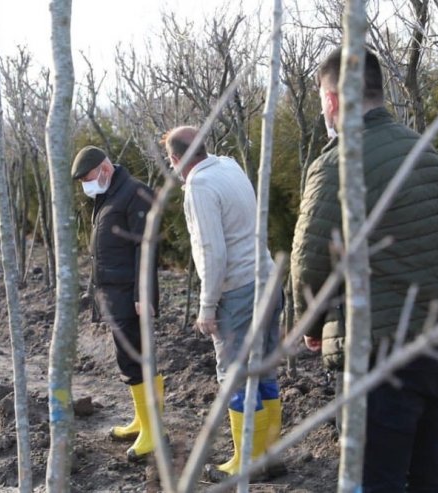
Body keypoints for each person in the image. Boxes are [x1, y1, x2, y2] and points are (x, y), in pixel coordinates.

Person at [290, 47, 438, 492]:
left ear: (331, 101)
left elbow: (309, 263)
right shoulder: (422, 150)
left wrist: (310, 324)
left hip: (383, 356)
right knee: (426, 467)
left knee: (376, 478)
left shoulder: (336, 164)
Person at [163, 127, 284, 482]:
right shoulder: (230, 165)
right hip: (268, 280)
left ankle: (246, 462)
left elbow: (212, 251)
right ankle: (269, 456)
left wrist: (206, 306)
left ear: (176, 160)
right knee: (263, 368)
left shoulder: (198, 187)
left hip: (239, 290)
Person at [71, 146, 162, 462]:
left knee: (139, 358)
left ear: (105, 169)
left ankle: (154, 430)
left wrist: (143, 294)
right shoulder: (108, 194)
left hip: (130, 294)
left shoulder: (135, 193)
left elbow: (146, 248)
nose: (86, 184)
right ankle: (142, 420)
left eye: (87, 177)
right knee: (127, 359)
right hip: (113, 292)